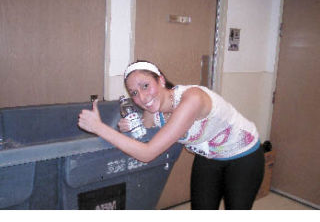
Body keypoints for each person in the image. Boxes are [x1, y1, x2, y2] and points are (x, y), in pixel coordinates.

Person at [78, 60, 265, 210]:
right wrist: (127, 126)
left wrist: (99, 128)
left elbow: (147, 153)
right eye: (134, 92)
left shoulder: (192, 99)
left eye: (145, 85)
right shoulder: (153, 106)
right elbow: (145, 130)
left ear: (161, 80)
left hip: (243, 156)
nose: (142, 98)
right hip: (209, 157)